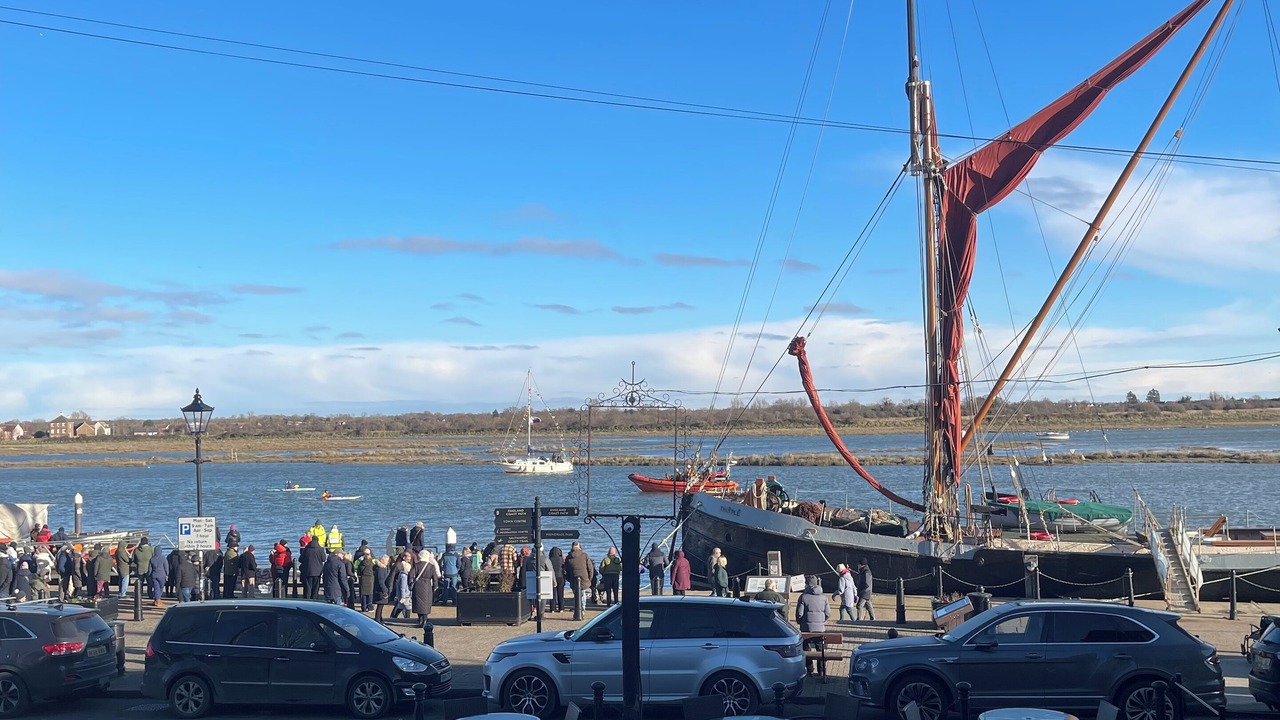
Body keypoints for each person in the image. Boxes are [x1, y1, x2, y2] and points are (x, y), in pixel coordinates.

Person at [796, 575, 831, 675]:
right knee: (820, 649)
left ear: (807, 584)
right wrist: (822, 621)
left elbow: (799, 613)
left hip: (806, 628)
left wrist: (800, 622)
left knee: (806, 648)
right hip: (820, 629)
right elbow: (828, 613)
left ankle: (810, 670)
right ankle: (821, 671)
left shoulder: (803, 597)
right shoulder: (824, 598)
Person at [411, 550, 440, 628]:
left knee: (418, 603)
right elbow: (435, 578)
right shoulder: (431, 566)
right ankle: (425, 620)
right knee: (426, 604)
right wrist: (435, 587)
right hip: (427, 586)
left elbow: (410, 575)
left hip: (417, 585)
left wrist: (410, 584)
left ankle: (420, 620)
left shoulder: (416, 565)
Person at [563, 541, 593, 613]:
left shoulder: (569, 557)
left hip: (573, 578)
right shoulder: (585, 555)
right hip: (584, 578)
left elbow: (565, 570)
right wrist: (589, 578)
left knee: (576, 594)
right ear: (580, 547)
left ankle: (578, 607)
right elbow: (590, 568)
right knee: (582, 593)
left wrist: (569, 579)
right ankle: (582, 608)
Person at [547, 546, 566, 612]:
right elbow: (564, 568)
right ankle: (561, 608)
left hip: (552, 577)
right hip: (560, 577)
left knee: (552, 594)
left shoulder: (550, 560)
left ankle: (552, 608)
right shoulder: (561, 560)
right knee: (560, 593)